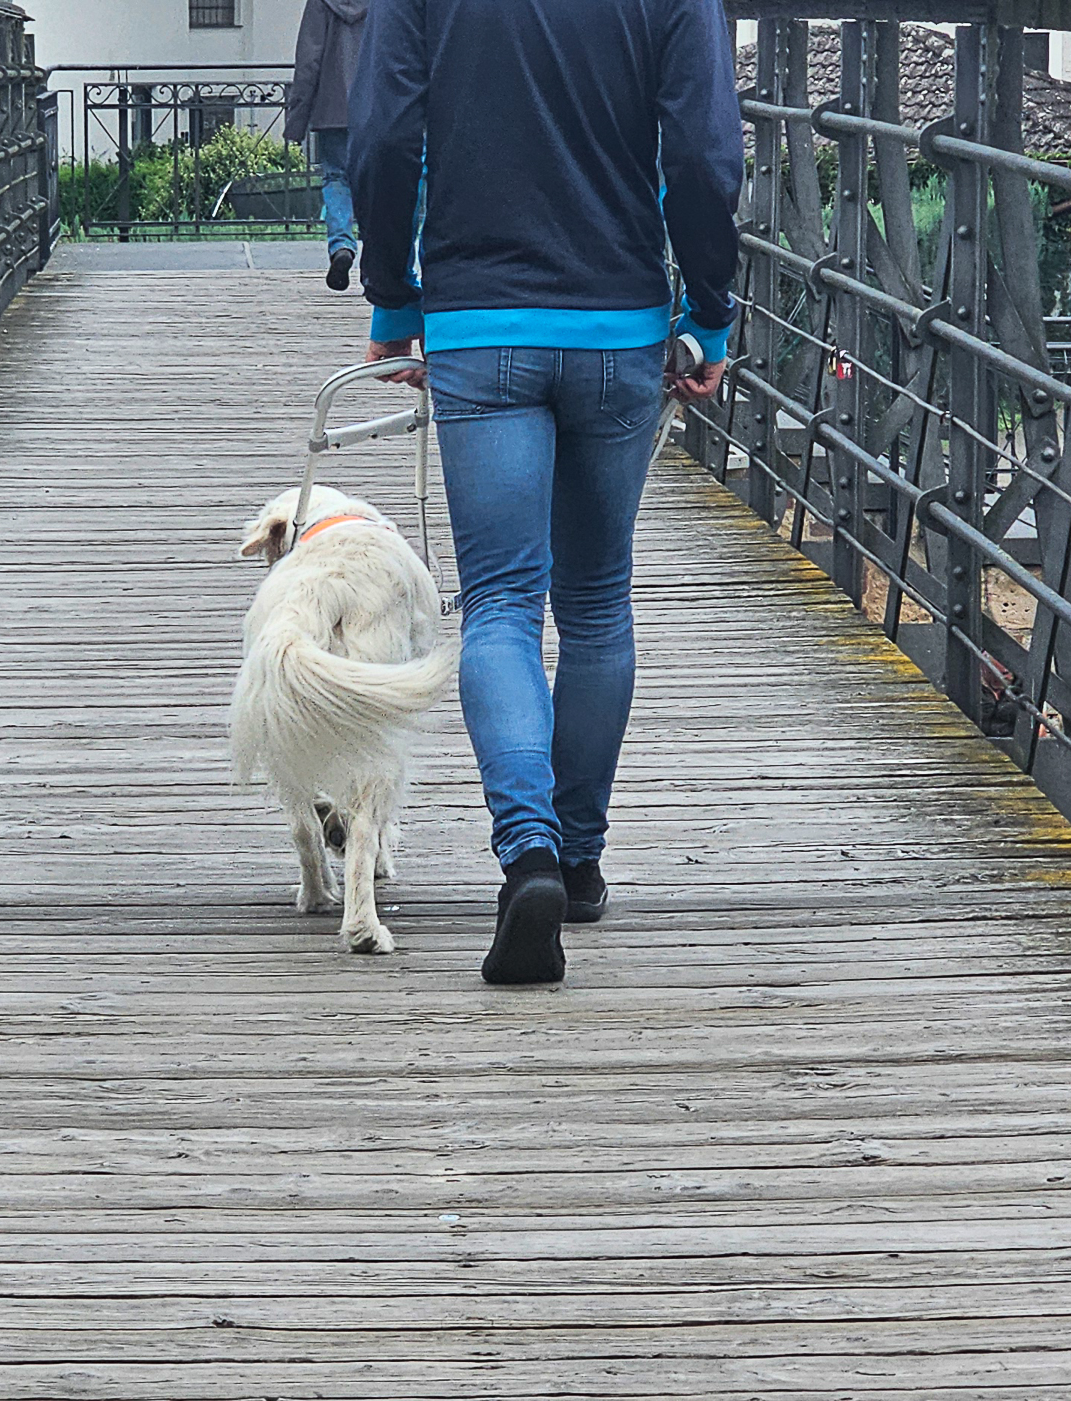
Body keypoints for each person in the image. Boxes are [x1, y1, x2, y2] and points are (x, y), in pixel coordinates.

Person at [347, 0, 738, 985]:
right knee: (599, 603)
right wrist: (710, 314)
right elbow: (702, 151)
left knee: (503, 606)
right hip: (619, 323)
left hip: (480, 325)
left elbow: (387, 135)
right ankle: (578, 853)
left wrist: (395, 297)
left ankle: (527, 858)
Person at [285, 0, 370, 290]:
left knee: (336, 177)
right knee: (378, 182)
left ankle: (341, 246)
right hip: (377, 106)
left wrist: (297, 118)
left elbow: (309, 61)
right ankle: (375, 259)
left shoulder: (321, 2)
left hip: (333, 108)